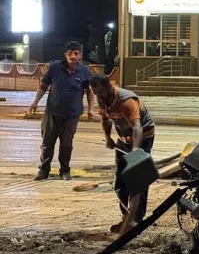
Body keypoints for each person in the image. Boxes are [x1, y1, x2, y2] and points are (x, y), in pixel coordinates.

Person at [89, 74, 155, 233]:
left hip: (142, 138)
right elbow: (105, 119)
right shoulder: (102, 99)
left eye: (101, 94)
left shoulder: (127, 101)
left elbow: (137, 127)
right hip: (123, 139)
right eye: (96, 94)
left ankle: (136, 221)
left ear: (110, 88)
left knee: (138, 181)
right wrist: (107, 138)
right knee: (120, 182)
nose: (99, 97)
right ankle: (126, 217)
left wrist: (136, 153)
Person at [28, 41, 95, 181]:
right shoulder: (54, 68)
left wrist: (91, 109)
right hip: (52, 113)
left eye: (75, 53)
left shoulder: (84, 71)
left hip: (72, 115)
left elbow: (90, 92)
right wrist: (35, 102)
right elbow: (43, 86)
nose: (72, 56)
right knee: (47, 144)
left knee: (66, 145)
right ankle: (43, 171)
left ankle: (64, 171)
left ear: (80, 55)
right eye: (70, 53)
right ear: (66, 54)